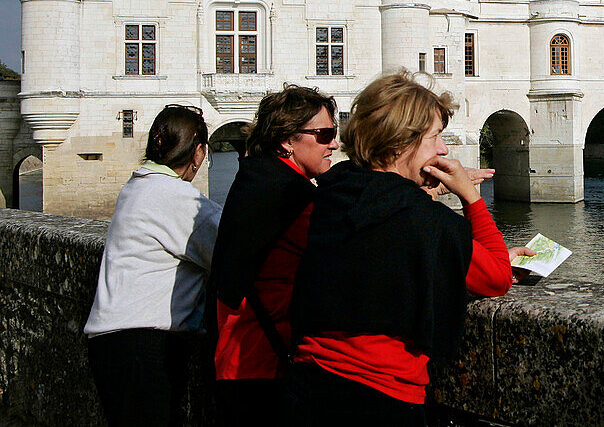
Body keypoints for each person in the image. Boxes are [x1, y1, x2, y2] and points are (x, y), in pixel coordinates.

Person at [284, 71, 523, 425]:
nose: (443, 149)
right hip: (383, 395)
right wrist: (470, 197)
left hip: (307, 383)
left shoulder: (332, 192)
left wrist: (427, 197)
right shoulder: (426, 221)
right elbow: (497, 277)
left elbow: (380, 229)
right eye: (435, 137)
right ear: (400, 144)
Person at [208, 85, 339, 426]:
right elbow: (354, 255)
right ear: (286, 141)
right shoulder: (293, 199)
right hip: (265, 367)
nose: (334, 144)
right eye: (324, 134)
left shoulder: (255, 181)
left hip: (236, 361)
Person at [85, 104, 221, 427]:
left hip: (110, 341)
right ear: (198, 153)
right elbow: (229, 250)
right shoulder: (177, 198)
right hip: (142, 347)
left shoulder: (137, 186)